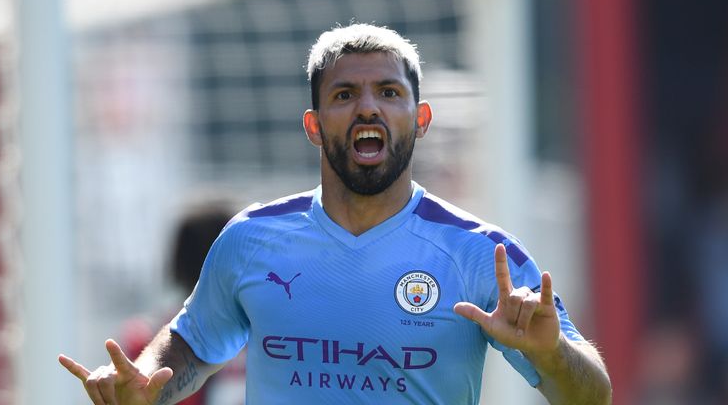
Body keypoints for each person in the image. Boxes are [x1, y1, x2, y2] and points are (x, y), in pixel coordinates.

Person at [59, 23, 612, 404]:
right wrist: (149, 383)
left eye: (388, 92)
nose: (368, 106)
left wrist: (555, 353)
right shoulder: (252, 239)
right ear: (314, 124)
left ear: (419, 119)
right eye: (345, 94)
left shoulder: (481, 254)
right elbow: (192, 343)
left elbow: (592, 395)